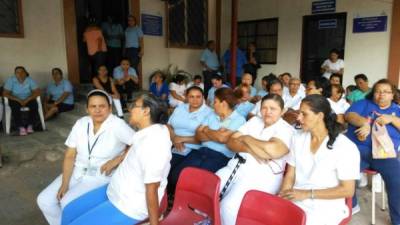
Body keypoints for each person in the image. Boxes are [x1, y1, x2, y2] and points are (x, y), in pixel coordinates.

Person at [61, 93, 171, 225]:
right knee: (68, 211)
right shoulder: (149, 130)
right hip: (114, 190)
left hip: (128, 206)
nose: (130, 109)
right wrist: (118, 158)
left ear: (146, 111)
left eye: (134, 106)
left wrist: (154, 223)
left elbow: (152, 188)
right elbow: (162, 131)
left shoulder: (153, 146)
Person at [37, 89, 135, 225]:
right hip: (77, 171)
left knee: (67, 203)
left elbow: (137, 143)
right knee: (44, 200)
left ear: (110, 108)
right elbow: (70, 155)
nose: (98, 110)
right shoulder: (81, 123)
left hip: (100, 176)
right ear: (87, 109)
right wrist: (65, 184)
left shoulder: (117, 125)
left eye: (102, 106)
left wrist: (118, 159)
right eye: (93, 106)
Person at [279, 94, 360, 225]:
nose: (298, 118)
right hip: (296, 197)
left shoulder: (345, 147)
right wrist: (283, 196)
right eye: (299, 113)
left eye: (304, 114)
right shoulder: (298, 138)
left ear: (320, 116)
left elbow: (348, 190)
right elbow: (290, 174)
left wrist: (306, 194)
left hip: (326, 206)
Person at [217, 94, 295, 225]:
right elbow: (230, 143)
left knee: (228, 207)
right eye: (264, 108)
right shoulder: (255, 121)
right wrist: (252, 150)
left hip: (260, 176)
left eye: (273, 108)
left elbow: (271, 151)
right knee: (208, 190)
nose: (267, 112)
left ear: (282, 111)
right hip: (235, 166)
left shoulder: (286, 130)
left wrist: (246, 138)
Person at [345, 79, 400, 224]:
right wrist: (365, 122)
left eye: (386, 92)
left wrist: (392, 119)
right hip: (357, 150)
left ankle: (397, 220)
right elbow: (349, 115)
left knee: (397, 179)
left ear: (392, 95)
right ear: (373, 93)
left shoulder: (397, 110)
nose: (381, 95)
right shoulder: (364, 103)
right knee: (341, 170)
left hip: (384, 155)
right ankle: (352, 204)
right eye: (378, 91)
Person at [172, 88, 245, 177]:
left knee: (198, 181)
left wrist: (206, 130)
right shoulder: (212, 115)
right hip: (200, 152)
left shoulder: (239, 119)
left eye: (215, 102)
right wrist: (217, 134)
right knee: (176, 176)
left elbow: (222, 138)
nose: (213, 105)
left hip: (220, 157)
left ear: (224, 103)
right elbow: (198, 135)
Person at [166, 86, 213, 194]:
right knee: (162, 171)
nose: (195, 100)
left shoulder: (209, 113)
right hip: (173, 145)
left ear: (203, 98)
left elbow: (206, 137)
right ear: (187, 97)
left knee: (176, 177)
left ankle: (175, 200)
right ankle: (164, 198)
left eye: (198, 97)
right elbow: (168, 125)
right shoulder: (180, 108)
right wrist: (174, 138)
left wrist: (182, 139)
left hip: (194, 149)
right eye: (191, 97)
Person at [3, 66, 41, 136]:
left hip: (28, 98)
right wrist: (18, 99)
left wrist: (27, 99)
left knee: (34, 105)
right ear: (15, 74)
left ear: (25, 73)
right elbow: (5, 93)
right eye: (17, 72)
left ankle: (30, 125)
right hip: (15, 99)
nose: (20, 74)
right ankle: (20, 127)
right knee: (15, 107)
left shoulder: (29, 80)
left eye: (22, 72)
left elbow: (37, 92)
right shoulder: (11, 80)